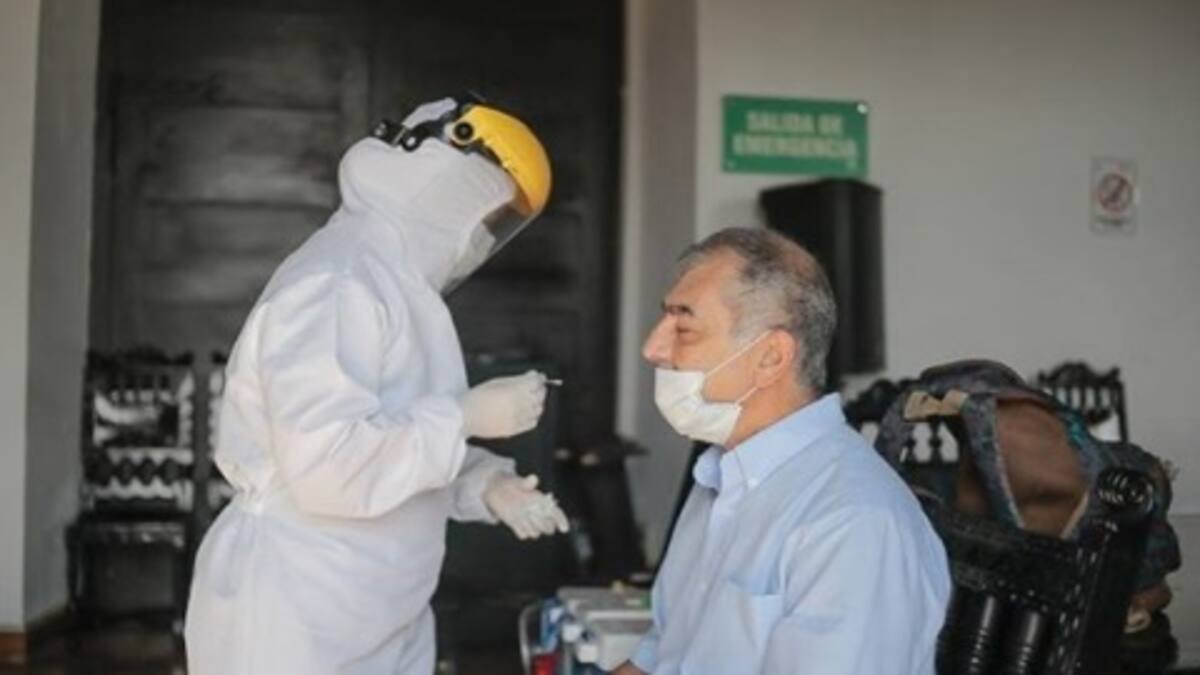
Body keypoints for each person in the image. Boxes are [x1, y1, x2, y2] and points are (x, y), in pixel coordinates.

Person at [185, 96, 569, 675]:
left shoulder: (393, 287)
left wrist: (484, 483)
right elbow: (327, 467)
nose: (482, 241)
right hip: (297, 611)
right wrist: (463, 416)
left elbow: (390, 437)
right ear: (446, 191)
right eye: (487, 219)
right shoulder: (338, 283)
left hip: (377, 606)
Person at [615, 227, 950, 675]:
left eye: (684, 327)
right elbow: (661, 656)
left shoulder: (853, 521)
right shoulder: (719, 476)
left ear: (771, 357)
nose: (653, 348)